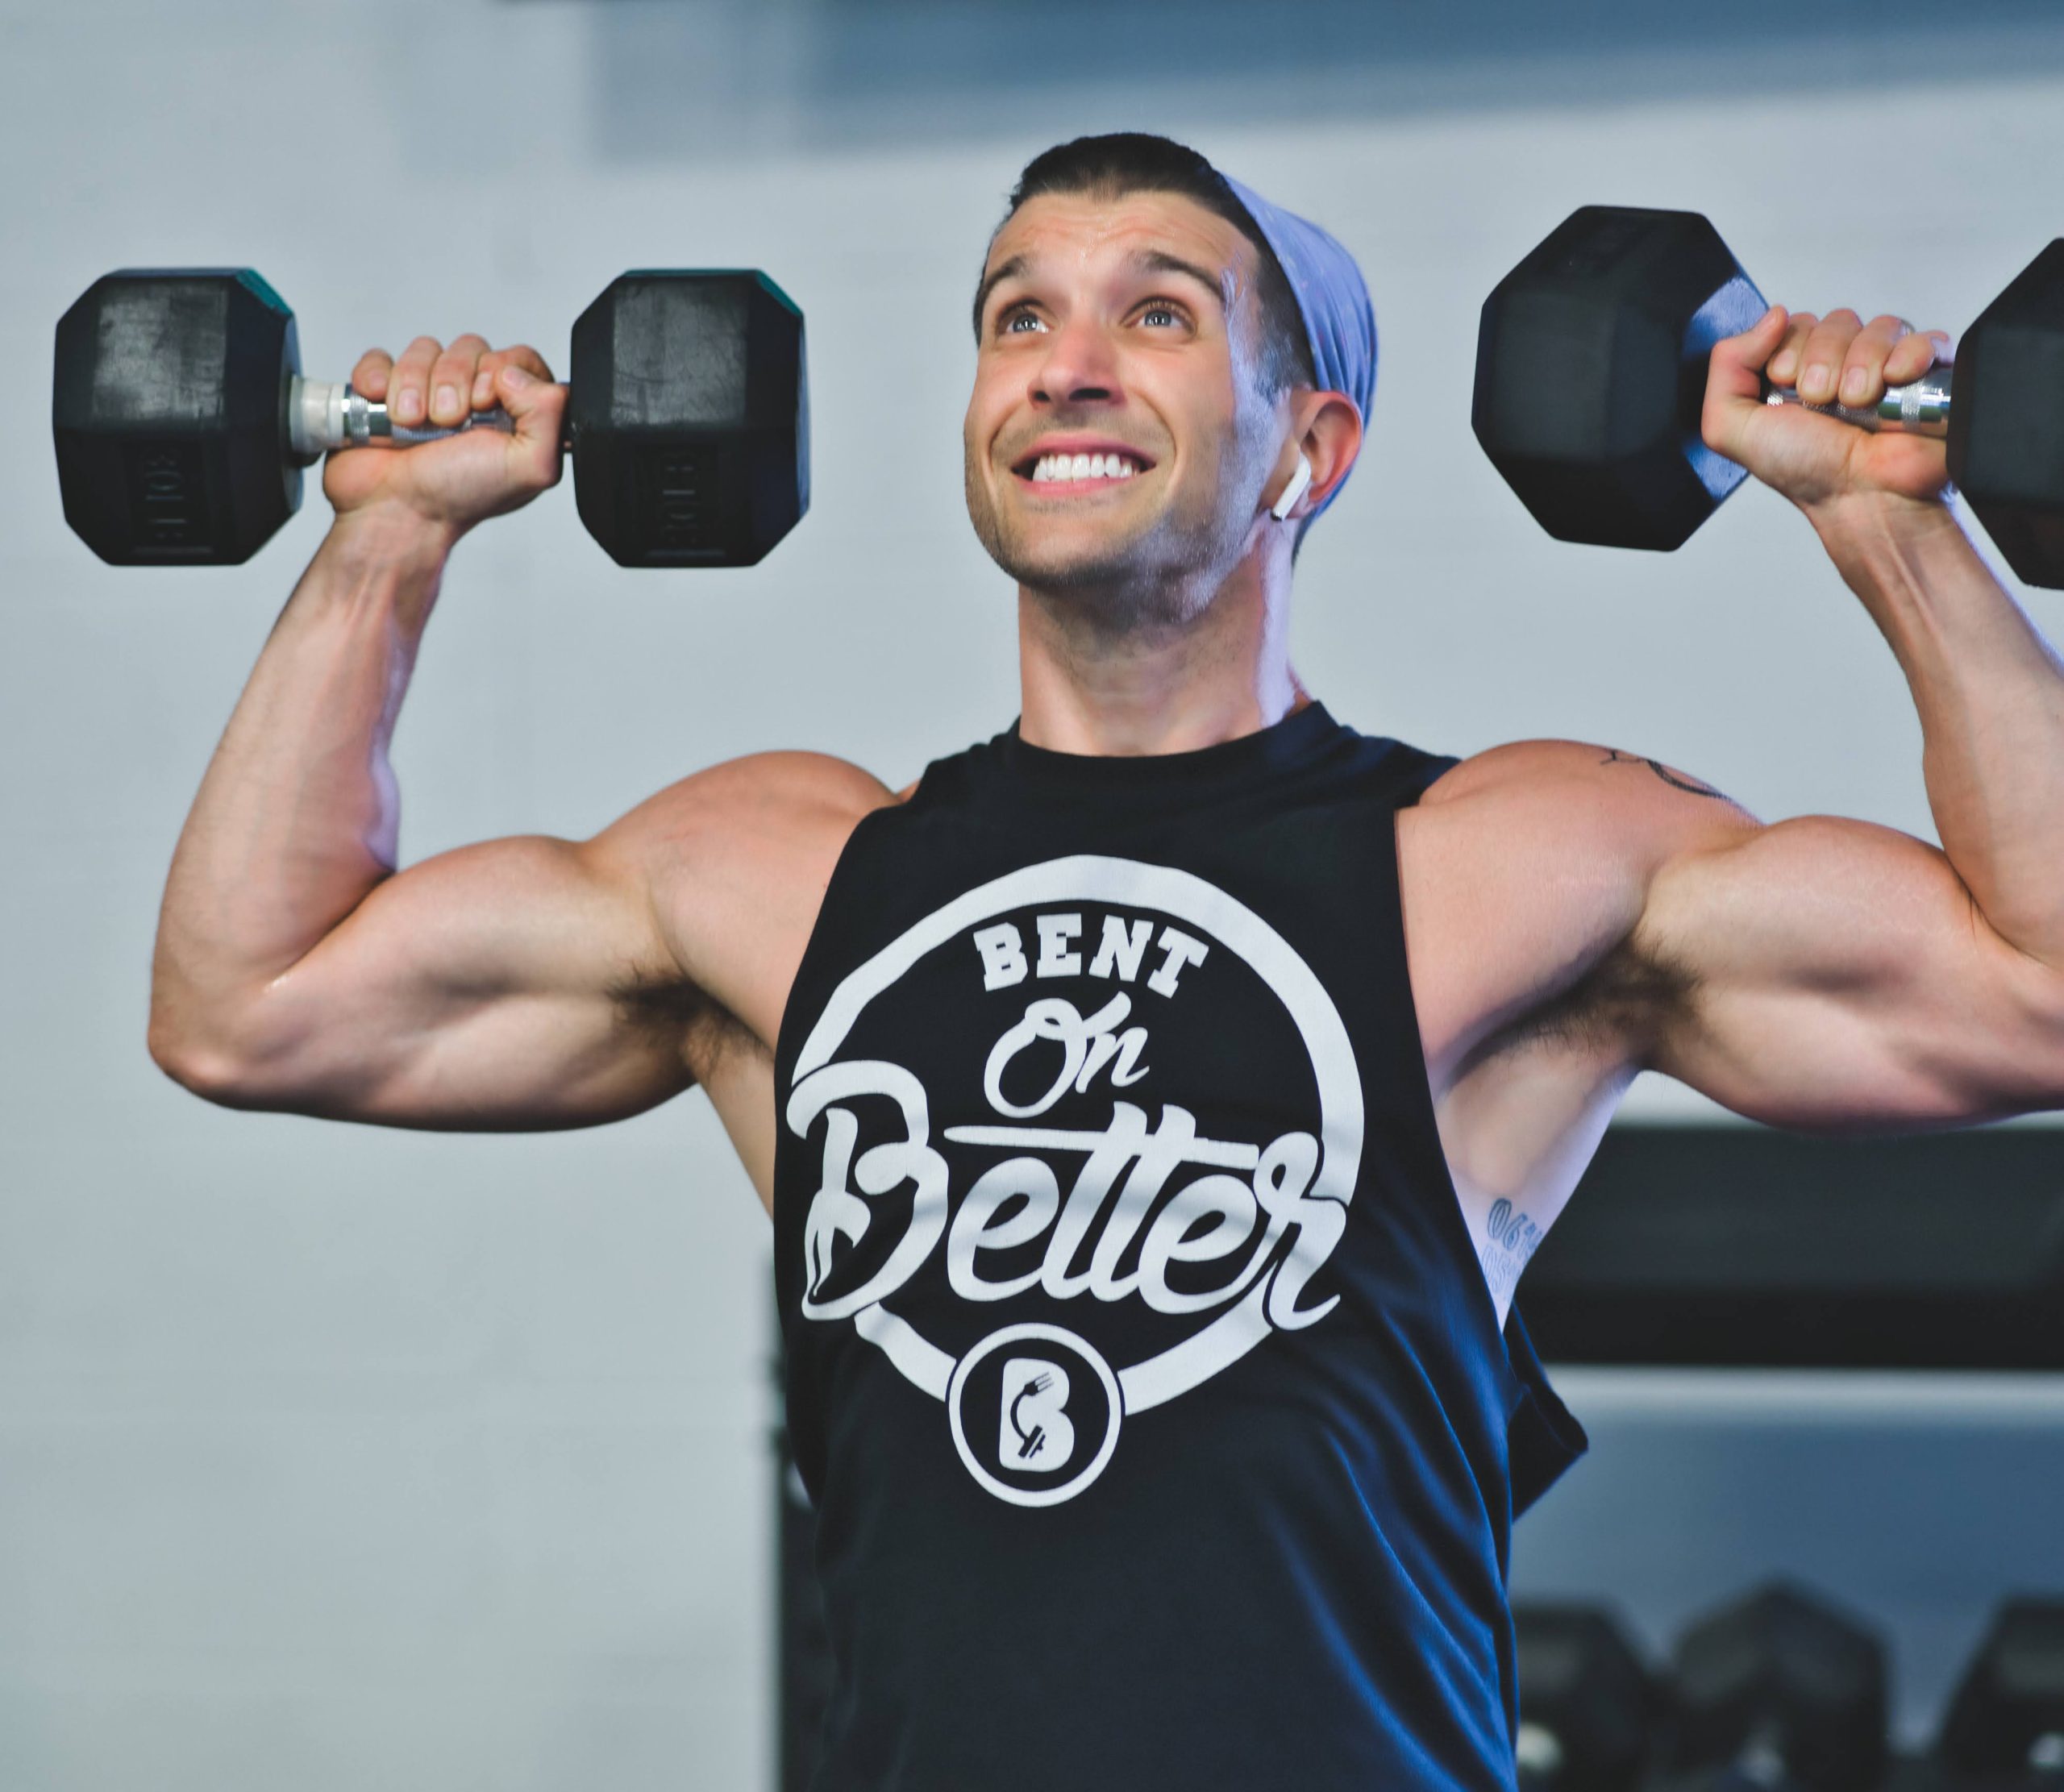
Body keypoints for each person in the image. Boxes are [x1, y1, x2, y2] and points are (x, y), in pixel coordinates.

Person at [146, 132, 2064, 1789]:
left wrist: (1889, 532)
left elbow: (2035, 988)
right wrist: (384, 543)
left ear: (1308, 443)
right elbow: (250, 999)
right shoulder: (782, 874)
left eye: (1156, 314)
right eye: (1013, 315)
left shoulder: (1499, 864)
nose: (1062, 367)